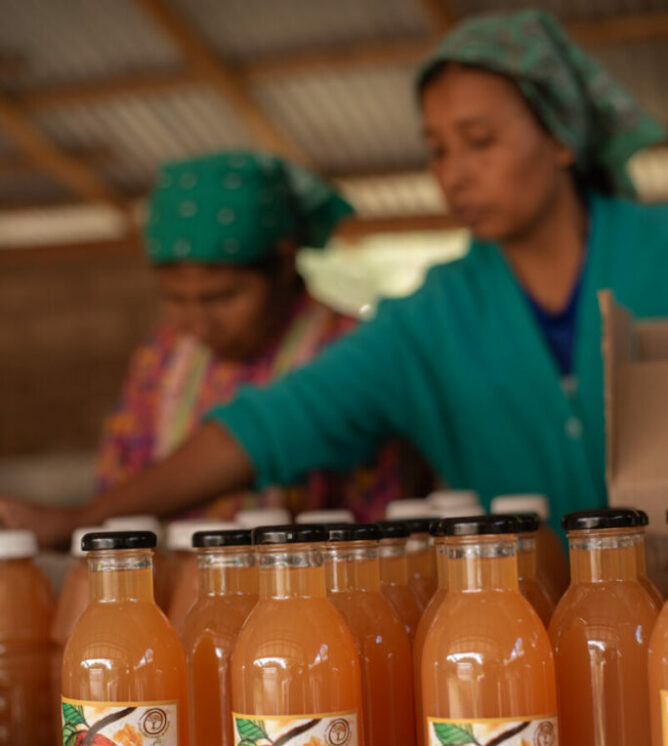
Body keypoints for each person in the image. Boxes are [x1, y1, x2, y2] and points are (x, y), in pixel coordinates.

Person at [2, 9, 667, 546]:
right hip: (523, 634)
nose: (454, 173)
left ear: (561, 136)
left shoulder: (657, 251)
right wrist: (80, 519)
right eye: (436, 149)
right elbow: (271, 425)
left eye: (479, 140)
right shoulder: (430, 320)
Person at [88, 151, 424, 522]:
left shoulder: (353, 352)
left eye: (222, 298)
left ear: (284, 263)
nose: (199, 324)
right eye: (176, 299)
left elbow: (385, 510)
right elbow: (118, 482)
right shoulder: (161, 357)